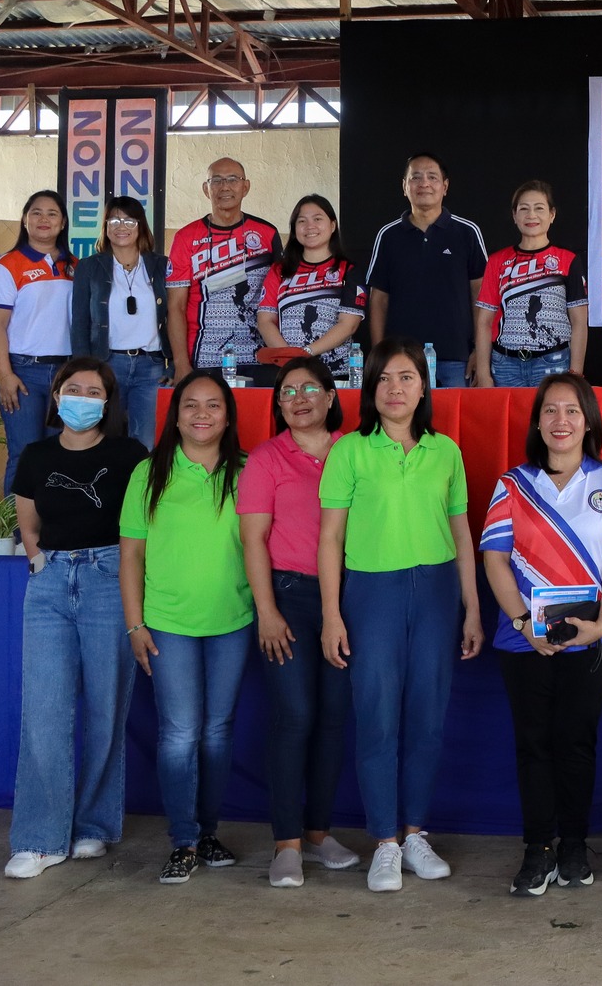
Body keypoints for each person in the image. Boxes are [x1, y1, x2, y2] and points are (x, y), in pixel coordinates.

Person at [318, 338, 486, 892]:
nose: (396, 388)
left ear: (423, 386)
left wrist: (472, 609)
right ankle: (384, 842)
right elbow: (331, 537)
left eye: (407, 377)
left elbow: (462, 531)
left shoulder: (446, 452)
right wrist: (331, 615)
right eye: (385, 378)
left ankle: (415, 834)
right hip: (371, 593)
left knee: (427, 719)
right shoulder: (350, 451)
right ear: (371, 388)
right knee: (377, 716)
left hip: (438, 591)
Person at [479, 374, 602, 895]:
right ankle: (536, 850)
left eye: (571, 411)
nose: (561, 421)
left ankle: (573, 845)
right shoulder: (511, 485)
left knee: (576, 744)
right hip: (523, 639)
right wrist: (524, 624)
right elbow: (495, 560)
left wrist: (599, 624)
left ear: (588, 420)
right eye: (550, 411)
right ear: (537, 421)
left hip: (592, 637)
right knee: (533, 745)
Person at [3, 359, 149, 878]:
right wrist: (37, 558)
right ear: (58, 396)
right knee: (44, 710)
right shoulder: (38, 454)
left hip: (110, 578)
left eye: (94, 390)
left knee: (107, 708)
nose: (82, 397)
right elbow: (27, 512)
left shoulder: (130, 454)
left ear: (108, 402)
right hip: (49, 583)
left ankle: (94, 825)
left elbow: (143, 522)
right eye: (73, 389)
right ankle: (40, 838)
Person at [119, 369, 253, 887]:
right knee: (179, 734)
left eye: (214, 405)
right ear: (175, 416)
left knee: (217, 734)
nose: (202, 414)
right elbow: (131, 554)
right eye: (191, 405)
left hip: (233, 621)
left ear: (228, 415)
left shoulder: (246, 470)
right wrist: (135, 624)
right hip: (168, 622)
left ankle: (209, 832)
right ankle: (182, 840)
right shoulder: (148, 473)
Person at [238, 357, 359, 889]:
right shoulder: (266, 459)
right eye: (288, 391)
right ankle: (285, 842)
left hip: (350, 598)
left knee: (334, 717)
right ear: (279, 404)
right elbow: (253, 541)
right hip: (288, 597)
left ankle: (317, 833)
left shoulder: (355, 452)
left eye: (311, 387)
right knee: (296, 715)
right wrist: (266, 611)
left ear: (332, 397)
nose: (300, 397)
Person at [366, 153, 487, 389]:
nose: (424, 184)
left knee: (451, 425)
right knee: (402, 424)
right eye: (416, 177)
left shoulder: (467, 232)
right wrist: (379, 353)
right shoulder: (388, 236)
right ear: (404, 186)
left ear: (445, 186)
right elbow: (378, 300)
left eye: (432, 177)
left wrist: (479, 353)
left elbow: (481, 296)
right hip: (399, 360)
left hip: (456, 359)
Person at [0, 190, 76, 495]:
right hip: (24, 372)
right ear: (24, 220)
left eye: (52, 213)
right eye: (36, 212)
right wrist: (6, 375)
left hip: (67, 374)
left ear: (63, 222)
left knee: (60, 457)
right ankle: (16, 539)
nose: (44, 219)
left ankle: (49, 534)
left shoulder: (75, 266)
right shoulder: (8, 265)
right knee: (24, 455)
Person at [165, 157, 280, 384]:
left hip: (260, 358)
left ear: (245, 187)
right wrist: (180, 363)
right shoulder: (185, 237)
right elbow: (175, 306)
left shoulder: (267, 233)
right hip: (204, 358)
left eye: (232, 180)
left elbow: (280, 299)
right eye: (216, 180)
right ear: (206, 189)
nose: (225, 187)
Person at [70, 196, 170, 447]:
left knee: (145, 444)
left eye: (128, 220)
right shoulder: (89, 267)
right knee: (101, 440)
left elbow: (177, 316)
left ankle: (139, 487)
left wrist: (175, 365)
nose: (120, 226)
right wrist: (84, 369)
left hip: (152, 368)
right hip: (107, 365)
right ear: (105, 226)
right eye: (113, 219)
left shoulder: (161, 265)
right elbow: (80, 322)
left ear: (141, 226)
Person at [475, 181, 588, 388]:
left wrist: (575, 373)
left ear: (552, 215)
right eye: (524, 209)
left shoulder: (568, 260)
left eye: (539, 208)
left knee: (549, 420)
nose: (531, 215)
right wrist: (483, 373)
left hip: (554, 364)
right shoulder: (497, 261)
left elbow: (579, 321)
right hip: (505, 365)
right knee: (506, 421)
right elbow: (484, 322)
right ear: (515, 216)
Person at [259, 194, 367, 385]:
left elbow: (348, 325)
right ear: (294, 229)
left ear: (332, 225)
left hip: (335, 375)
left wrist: (306, 353)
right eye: (302, 221)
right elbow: (265, 321)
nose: (310, 226)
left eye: (318, 219)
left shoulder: (349, 270)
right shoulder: (278, 271)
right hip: (289, 374)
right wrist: (289, 359)